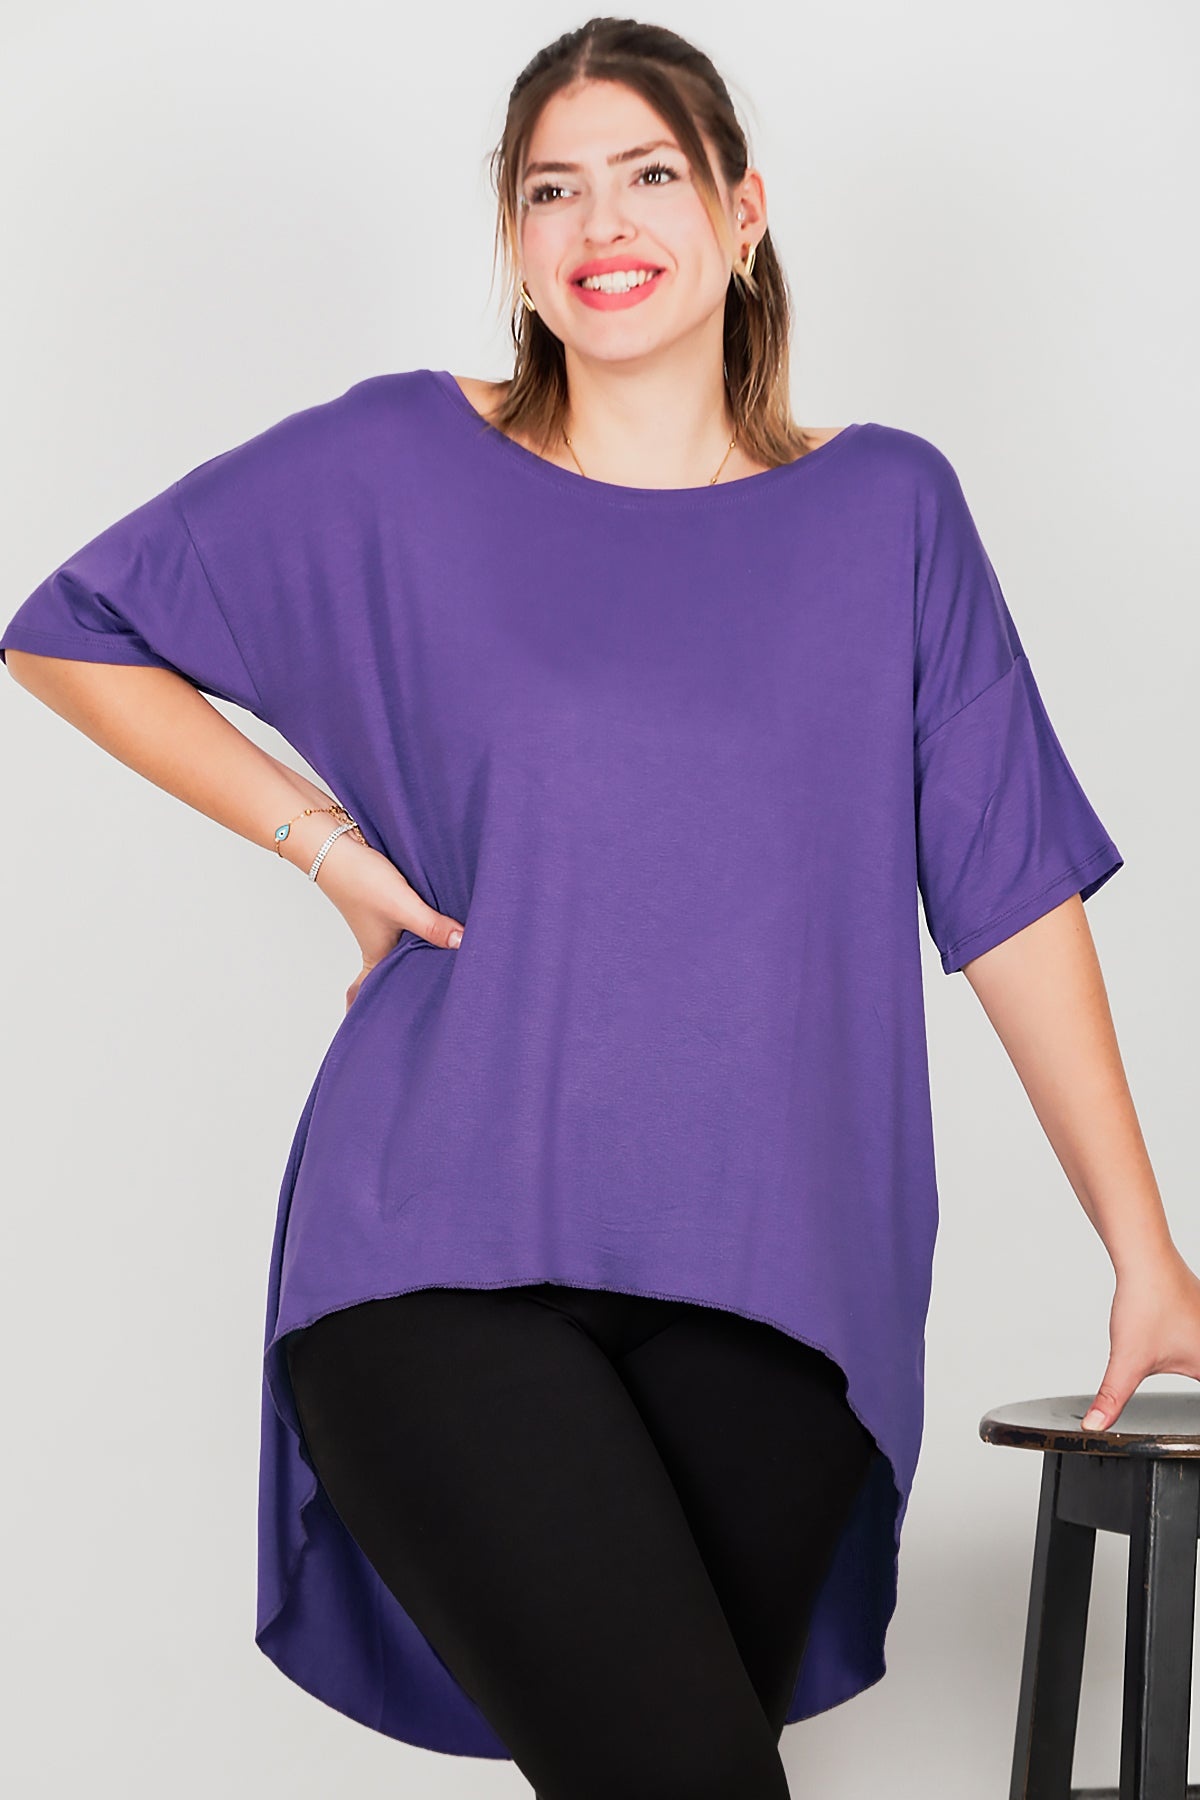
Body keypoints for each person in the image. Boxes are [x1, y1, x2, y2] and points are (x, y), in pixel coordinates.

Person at [4, 15, 1199, 1800]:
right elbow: (73, 629)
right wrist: (327, 847)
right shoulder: (401, 461)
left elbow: (1011, 890)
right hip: (434, 1250)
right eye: (551, 190)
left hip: (786, 1287)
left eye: (648, 173)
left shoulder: (890, 511)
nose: (602, 222)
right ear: (513, 242)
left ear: (741, 213)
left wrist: (1145, 1252)